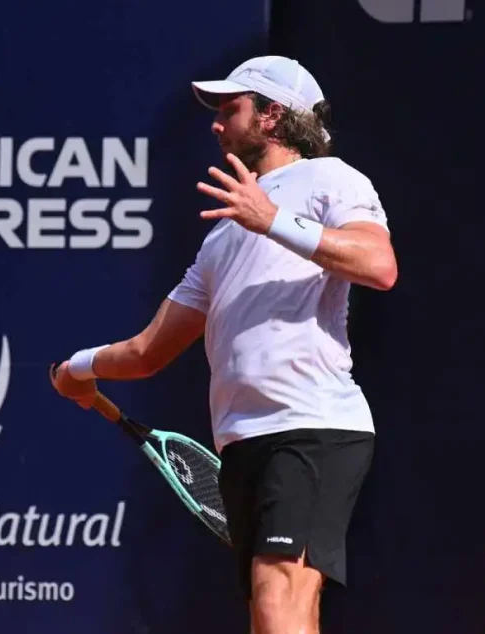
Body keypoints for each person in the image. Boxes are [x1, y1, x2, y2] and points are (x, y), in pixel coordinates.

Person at [50, 55, 397, 634]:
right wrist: (78, 370)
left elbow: (379, 265)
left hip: (313, 425)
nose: (215, 123)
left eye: (229, 108)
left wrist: (272, 220)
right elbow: (147, 351)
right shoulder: (221, 236)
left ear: (272, 116)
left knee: (277, 597)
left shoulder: (332, 179)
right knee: (276, 612)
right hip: (242, 442)